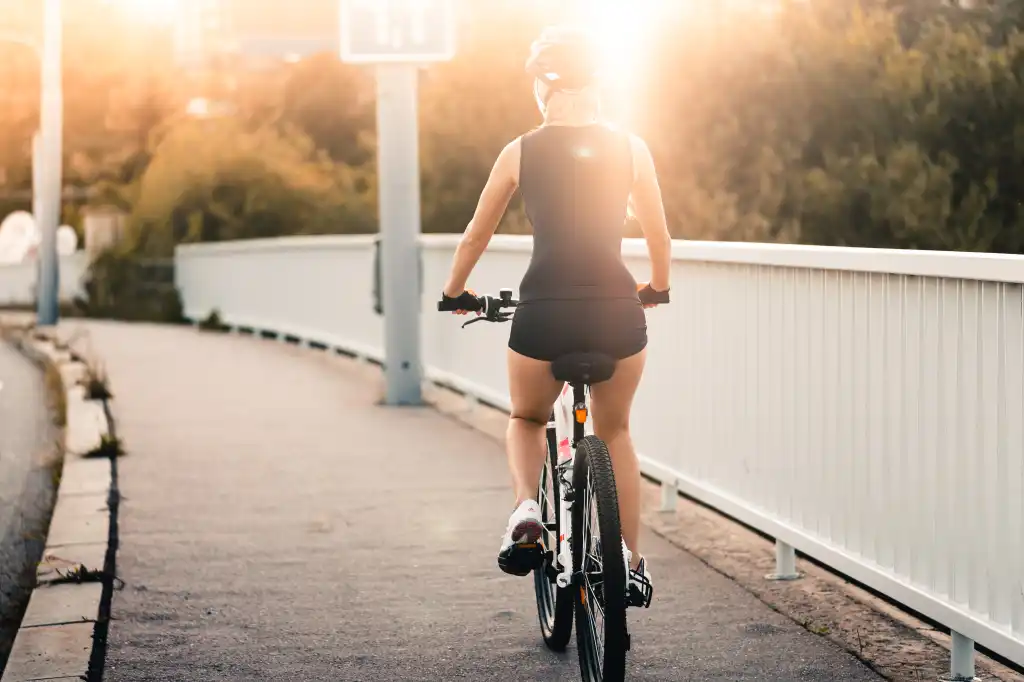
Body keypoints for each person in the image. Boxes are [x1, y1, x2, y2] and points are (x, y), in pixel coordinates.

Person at [438, 25, 672, 607]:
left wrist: (456, 291)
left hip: (542, 311)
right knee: (615, 431)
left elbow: (477, 232)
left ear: (542, 88)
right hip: (618, 312)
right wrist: (657, 288)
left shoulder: (520, 150)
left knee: (525, 416)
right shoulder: (631, 148)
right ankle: (628, 561)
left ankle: (525, 511)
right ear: (599, 85)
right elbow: (658, 232)